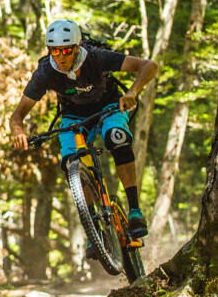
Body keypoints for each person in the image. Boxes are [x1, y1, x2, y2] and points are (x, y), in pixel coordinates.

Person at [10, 19, 158, 242]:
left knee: (116, 137)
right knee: (72, 162)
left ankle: (135, 210)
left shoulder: (96, 57)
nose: (60, 57)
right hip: (73, 116)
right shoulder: (46, 72)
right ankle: (93, 230)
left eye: (66, 50)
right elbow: (17, 115)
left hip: (108, 106)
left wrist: (132, 92)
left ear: (77, 47)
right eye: (55, 51)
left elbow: (149, 66)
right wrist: (18, 131)